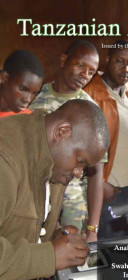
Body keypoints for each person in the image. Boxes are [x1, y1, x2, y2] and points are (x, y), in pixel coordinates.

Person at [0, 99, 109, 280]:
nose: (78, 173)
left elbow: (23, 218)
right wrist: (50, 256)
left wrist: (56, 235)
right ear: (62, 132)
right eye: (80, 162)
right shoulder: (5, 159)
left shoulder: (54, 159)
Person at [30, 40, 105, 242]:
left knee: (69, 259)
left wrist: (93, 228)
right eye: (80, 65)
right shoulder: (35, 97)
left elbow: (97, 173)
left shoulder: (91, 111)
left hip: (74, 203)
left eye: (91, 72)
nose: (84, 75)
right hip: (36, 196)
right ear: (64, 60)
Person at [84, 40, 128, 239]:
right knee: (108, 253)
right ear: (107, 60)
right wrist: (99, 182)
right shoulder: (90, 94)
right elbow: (80, 147)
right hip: (108, 190)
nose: (126, 68)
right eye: (120, 61)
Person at [0, 50, 44, 117]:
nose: (28, 100)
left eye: (34, 93)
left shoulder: (27, 121)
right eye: (23, 89)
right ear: (4, 78)